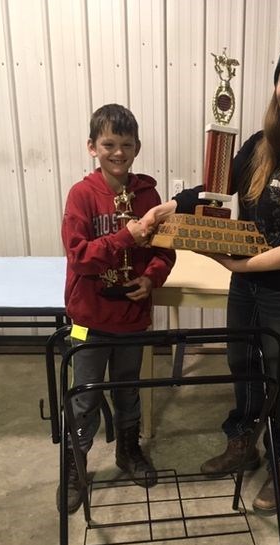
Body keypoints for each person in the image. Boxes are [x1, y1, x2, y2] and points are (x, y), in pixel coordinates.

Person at [140, 32, 280, 512]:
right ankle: (242, 442)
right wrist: (165, 209)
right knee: (240, 361)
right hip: (248, 282)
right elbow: (214, 188)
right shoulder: (259, 144)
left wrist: (239, 264)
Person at [60, 103, 176, 513]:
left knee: (130, 390)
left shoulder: (149, 194)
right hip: (90, 319)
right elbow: (79, 257)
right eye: (109, 143)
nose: (118, 152)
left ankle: (129, 452)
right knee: (84, 397)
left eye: (126, 144)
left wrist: (152, 279)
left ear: (137, 147)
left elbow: (166, 250)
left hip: (131, 319)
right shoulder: (81, 196)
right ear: (92, 147)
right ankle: (74, 467)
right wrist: (126, 236)